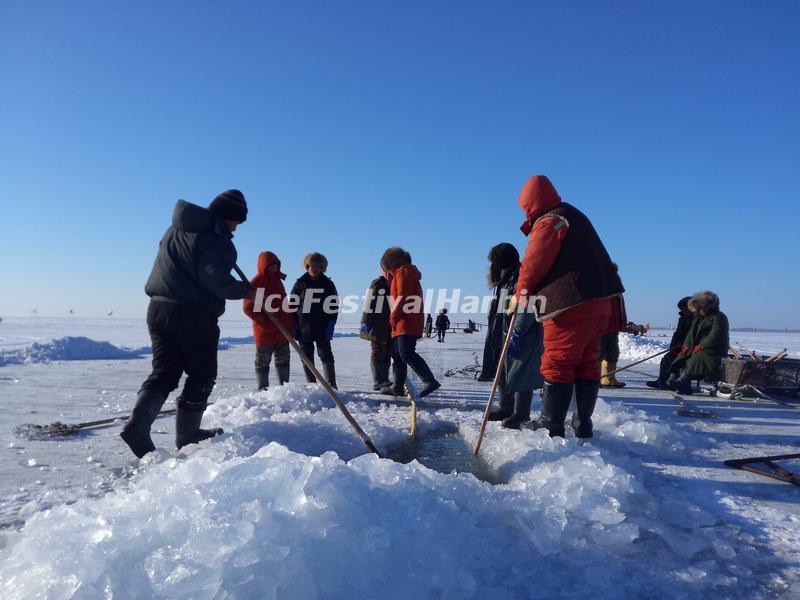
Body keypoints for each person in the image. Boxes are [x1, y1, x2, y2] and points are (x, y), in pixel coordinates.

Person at [120, 190, 252, 458]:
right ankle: (187, 434)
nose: (236, 228)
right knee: (202, 374)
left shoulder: (176, 229)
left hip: (158, 307)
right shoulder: (217, 239)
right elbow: (216, 280)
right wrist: (247, 290)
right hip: (193, 313)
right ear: (229, 217)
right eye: (237, 222)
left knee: (165, 372)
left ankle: (138, 425)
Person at [509, 175, 625, 439]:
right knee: (586, 361)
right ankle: (582, 424)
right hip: (601, 302)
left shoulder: (551, 220)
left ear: (530, 202)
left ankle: (550, 423)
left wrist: (520, 294)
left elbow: (534, 262)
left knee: (558, 360)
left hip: (571, 303)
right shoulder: (574, 215)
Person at [483, 243, 545, 428]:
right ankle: (506, 407)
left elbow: (526, 304)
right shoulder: (507, 277)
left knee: (519, 371)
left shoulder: (519, 277)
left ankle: (520, 413)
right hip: (502, 329)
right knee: (503, 370)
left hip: (519, 331)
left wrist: (518, 330)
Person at [379, 247, 441, 398]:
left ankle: (429, 380)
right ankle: (397, 386)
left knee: (406, 353)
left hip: (406, 321)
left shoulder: (404, 271)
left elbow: (403, 295)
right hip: (402, 322)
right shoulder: (401, 273)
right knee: (398, 355)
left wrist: (394, 315)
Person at [243, 251, 293, 390]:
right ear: (263, 266)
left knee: (283, 360)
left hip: (282, 329)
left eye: (275, 266)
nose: (273, 269)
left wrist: (288, 321)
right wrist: (265, 323)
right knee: (263, 361)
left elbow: (283, 304)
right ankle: (262, 389)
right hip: (264, 331)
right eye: (270, 266)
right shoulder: (257, 283)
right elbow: (249, 308)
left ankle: (284, 388)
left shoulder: (278, 281)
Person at [291, 252, 339, 388]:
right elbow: (292, 305)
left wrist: (331, 324)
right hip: (303, 327)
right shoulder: (300, 283)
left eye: (319, 267)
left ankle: (331, 385)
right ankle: (311, 385)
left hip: (321, 326)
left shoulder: (327, 284)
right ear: (307, 266)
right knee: (306, 357)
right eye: (313, 266)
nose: (316, 269)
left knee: (325, 355)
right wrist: (293, 325)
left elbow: (333, 306)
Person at [667, 291, 729, 394]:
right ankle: (676, 381)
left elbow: (715, 335)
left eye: (701, 308)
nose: (699, 310)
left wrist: (701, 346)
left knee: (695, 358)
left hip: (714, 349)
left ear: (709, 306)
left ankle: (682, 381)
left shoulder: (719, 317)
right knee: (683, 356)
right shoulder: (698, 318)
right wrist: (686, 346)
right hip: (698, 347)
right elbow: (690, 335)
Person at [647, 296, 693, 389]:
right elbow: (679, 333)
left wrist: (685, 344)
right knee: (666, 359)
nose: (683, 309)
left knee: (673, 361)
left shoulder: (694, 319)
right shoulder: (683, 318)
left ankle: (670, 382)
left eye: (685, 307)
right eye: (682, 307)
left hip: (687, 348)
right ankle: (661, 380)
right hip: (678, 347)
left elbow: (691, 335)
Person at [360, 269, 393, 391]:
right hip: (377, 324)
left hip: (389, 325)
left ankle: (385, 378)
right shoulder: (377, 284)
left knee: (388, 351)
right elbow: (369, 304)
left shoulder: (395, 285)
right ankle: (378, 380)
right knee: (377, 350)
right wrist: (365, 322)